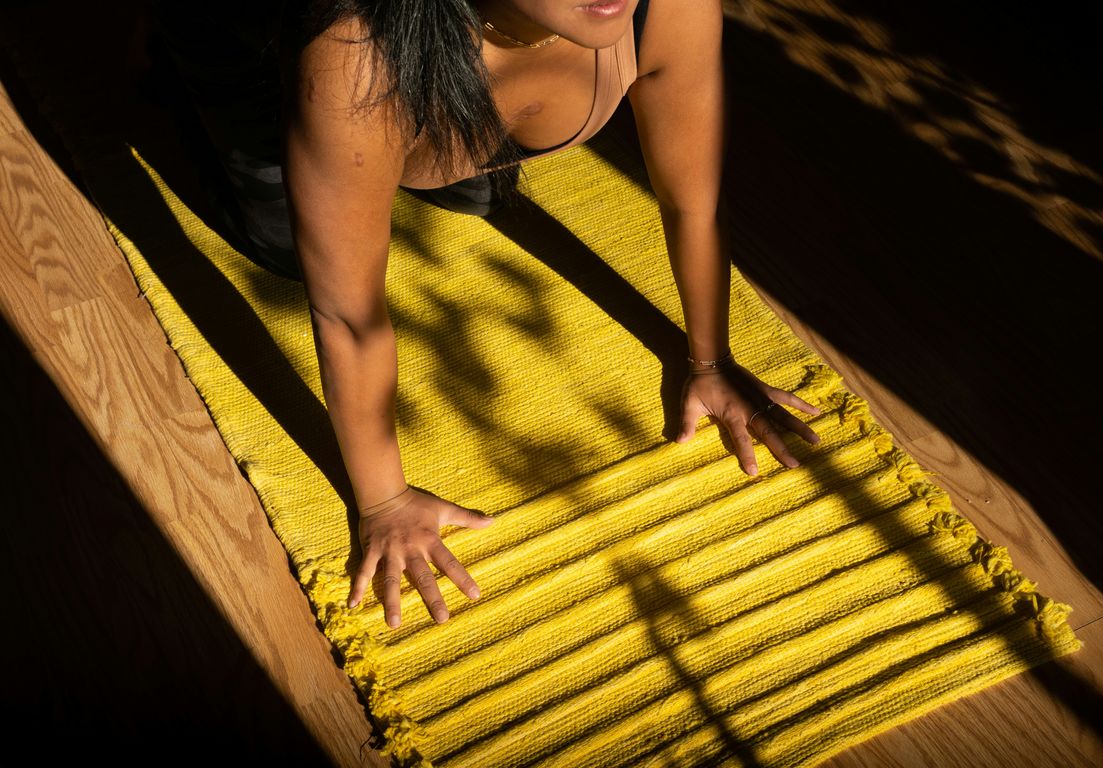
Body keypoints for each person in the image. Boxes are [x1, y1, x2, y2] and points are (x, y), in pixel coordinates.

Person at [153, 0, 822, 629]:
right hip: (254, 35)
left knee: (475, 197)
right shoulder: (355, 50)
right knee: (286, 249)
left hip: (430, 86)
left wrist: (712, 359)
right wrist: (384, 501)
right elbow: (347, 313)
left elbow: (694, 203)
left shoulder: (664, 8)